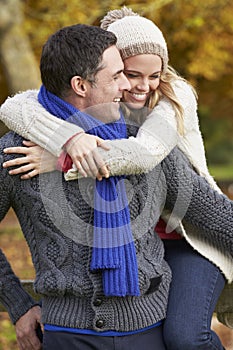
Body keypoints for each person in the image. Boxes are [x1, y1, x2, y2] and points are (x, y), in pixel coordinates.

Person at [1, 7, 232, 349]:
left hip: (149, 329)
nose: (128, 87)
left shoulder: (148, 140)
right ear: (80, 85)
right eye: (118, 75)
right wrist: (19, 306)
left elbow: (219, 218)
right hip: (65, 336)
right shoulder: (17, 152)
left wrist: (66, 157)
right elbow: (15, 105)